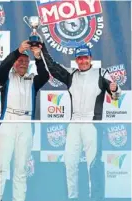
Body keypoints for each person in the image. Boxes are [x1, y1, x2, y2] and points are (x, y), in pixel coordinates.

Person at [35, 43, 121, 201]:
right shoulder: (71, 74)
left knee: (93, 165)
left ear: (91, 58)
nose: (83, 61)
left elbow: (115, 96)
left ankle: (96, 198)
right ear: (76, 60)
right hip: (74, 124)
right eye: (79, 58)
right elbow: (53, 67)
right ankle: (72, 197)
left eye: (85, 58)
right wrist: (43, 48)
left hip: (92, 124)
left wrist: (115, 90)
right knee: (69, 162)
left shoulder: (102, 73)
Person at [0, 40, 49, 201]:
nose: (23, 63)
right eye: (20, 60)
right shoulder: (6, 79)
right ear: (14, 63)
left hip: (26, 124)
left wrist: (37, 57)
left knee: (21, 169)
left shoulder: (33, 80)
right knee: (0, 168)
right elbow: (2, 67)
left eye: (25, 61)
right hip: (8, 122)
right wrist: (18, 50)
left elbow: (45, 76)